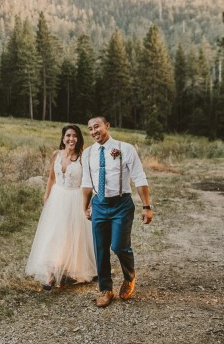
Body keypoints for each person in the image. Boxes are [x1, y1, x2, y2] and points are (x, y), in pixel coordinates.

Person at [81, 116, 153, 307]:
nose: (93, 131)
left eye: (96, 126)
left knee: (120, 246)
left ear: (107, 126)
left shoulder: (125, 149)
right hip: (99, 205)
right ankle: (106, 289)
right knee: (100, 248)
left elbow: (139, 178)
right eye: (90, 129)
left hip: (121, 204)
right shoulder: (87, 154)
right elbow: (87, 184)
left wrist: (146, 207)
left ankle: (129, 277)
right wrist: (85, 206)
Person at [25, 125, 97, 290]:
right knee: (53, 233)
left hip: (75, 199)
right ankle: (50, 275)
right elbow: (51, 178)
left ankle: (71, 267)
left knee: (72, 235)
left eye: (74, 136)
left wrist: (88, 203)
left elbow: (88, 183)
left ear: (78, 139)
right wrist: (47, 196)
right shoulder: (56, 155)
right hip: (57, 198)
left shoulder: (82, 158)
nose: (71, 139)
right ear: (63, 138)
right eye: (68, 135)